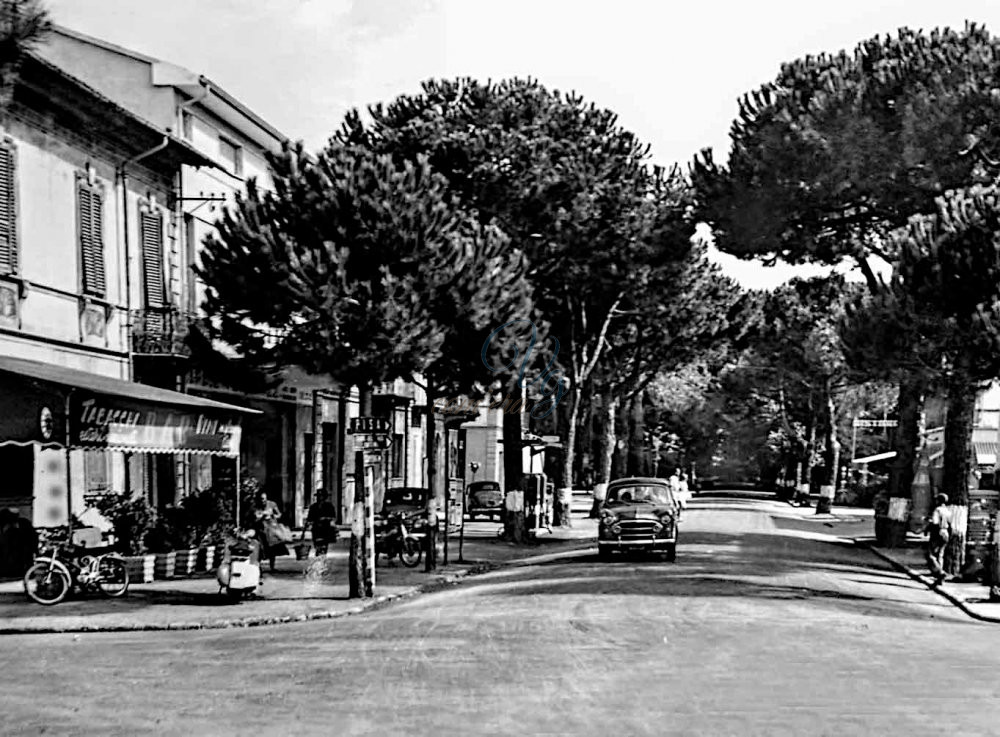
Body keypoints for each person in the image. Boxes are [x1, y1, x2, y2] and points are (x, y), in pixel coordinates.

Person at [253, 491, 287, 572]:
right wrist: (262, 516)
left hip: (271, 529)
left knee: (272, 548)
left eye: (264, 499)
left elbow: (279, 514)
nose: (263, 501)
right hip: (261, 530)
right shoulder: (256, 506)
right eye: (261, 499)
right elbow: (255, 518)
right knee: (261, 548)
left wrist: (272, 515)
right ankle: (258, 566)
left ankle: (272, 566)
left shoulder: (272, 504)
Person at [924, 493, 953, 586]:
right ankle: (940, 580)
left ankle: (940, 572)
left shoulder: (937, 510)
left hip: (937, 533)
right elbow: (951, 525)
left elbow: (935, 523)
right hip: (946, 533)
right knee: (940, 554)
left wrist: (927, 529)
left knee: (930, 555)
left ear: (939, 501)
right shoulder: (948, 511)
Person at [305, 490, 338, 556]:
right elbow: (309, 518)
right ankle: (319, 555)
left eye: (322, 496)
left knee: (324, 545)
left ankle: (322, 556)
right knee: (317, 545)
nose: (320, 498)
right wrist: (309, 523)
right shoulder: (313, 507)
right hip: (316, 529)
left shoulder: (329, 506)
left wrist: (325, 518)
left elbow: (333, 517)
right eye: (319, 496)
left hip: (325, 528)